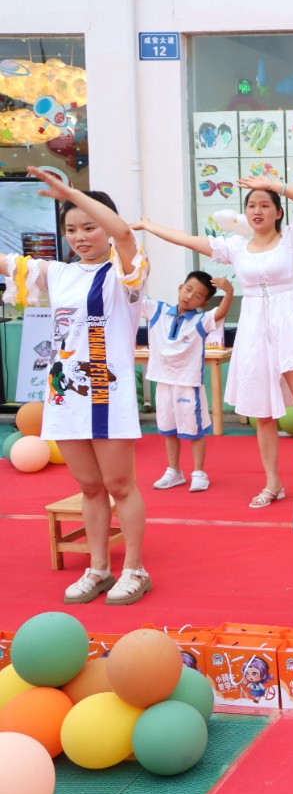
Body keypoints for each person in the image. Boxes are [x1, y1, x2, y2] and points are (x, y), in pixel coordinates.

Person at [1, 167, 151, 604]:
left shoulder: (127, 270)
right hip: (64, 393)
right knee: (89, 486)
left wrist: (71, 193)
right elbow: (7, 264)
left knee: (120, 485)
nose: (80, 237)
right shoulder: (57, 273)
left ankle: (135, 569)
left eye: (89, 227)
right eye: (71, 229)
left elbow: (123, 233)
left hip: (107, 393)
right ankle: (98, 567)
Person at [134, 175, 293, 508]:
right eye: (251, 206)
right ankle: (273, 483)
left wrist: (273, 184)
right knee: (263, 413)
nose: (257, 211)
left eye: (265, 205)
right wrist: (150, 227)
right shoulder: (236, 247)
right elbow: (189, 240)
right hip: (254, 331)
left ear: (278, 212)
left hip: (291, 327)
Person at [145, 271, 233, 492]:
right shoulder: (157, 310)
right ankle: (173, 471)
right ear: (180, 287)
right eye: (188, 289)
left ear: (203, 303)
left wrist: (229, 291)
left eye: (197, 296)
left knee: (194, 430)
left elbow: (221, 311)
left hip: (188, 383)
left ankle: (199, 472)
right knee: (168, 429)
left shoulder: (201, 321)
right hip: (162, 381)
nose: (189, 297)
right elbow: (134, 294)